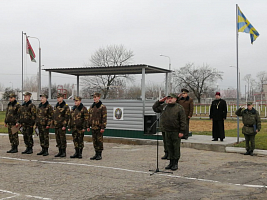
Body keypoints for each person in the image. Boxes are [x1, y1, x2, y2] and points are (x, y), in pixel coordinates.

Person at [152, 93, 187, 171]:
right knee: (169, 147)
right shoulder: (164, 107)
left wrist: (182, 131)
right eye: (168, 98)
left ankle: (175, 163)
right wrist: (160, 101)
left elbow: (183, 121)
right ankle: (171, 162)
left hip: (176, 131)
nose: (169, 100)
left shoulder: (179, 108)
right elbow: (155, 108)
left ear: (175, 99)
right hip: (166, 130)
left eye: (171, 98)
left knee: (175, 147)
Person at [88, 92, 107, 160]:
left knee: (99, 141)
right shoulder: (92, 107)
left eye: (95, 97)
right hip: (93, 127)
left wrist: (103, 127)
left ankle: (99, 154)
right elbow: (89, 117)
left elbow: (104, 118)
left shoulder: (102, 107)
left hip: (99, 127)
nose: (94, 98)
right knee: (94, 141)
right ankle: (96, 153)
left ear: (99, 97)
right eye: (93, 97)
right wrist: (88, 125)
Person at [53, 93, 70, 157]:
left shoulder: (65, 106)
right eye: (57, 98)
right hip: (56, 125)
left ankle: (63, 152)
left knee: (62, 139)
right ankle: (60, 151)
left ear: (62, 98)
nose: (58, 99)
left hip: (62, 125)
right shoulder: (56, 106)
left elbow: (67, 117)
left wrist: (64, 125)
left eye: (59, 97)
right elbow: (54, 115)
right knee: (58, 139)